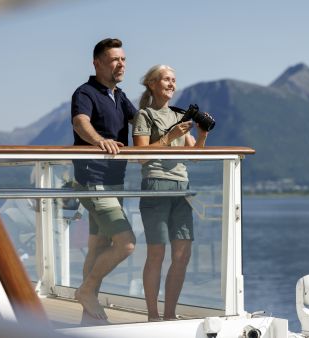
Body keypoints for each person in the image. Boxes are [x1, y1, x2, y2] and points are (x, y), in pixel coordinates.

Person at [132, 64, 212, 321]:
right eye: (166, 79)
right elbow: (141, 157)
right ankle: (153, 315)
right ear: (153, 84)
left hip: (181, 187)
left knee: (183, 254)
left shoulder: (179, 115)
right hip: (156, 184)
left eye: (174, 80)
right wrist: (168, 138)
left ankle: (169, 314)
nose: (171, 84)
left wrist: (202, 135)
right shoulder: (144, 114)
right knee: (157, 253)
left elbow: (195, 157)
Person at [71, 38, 137, 322]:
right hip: (93, 180)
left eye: (122, 59)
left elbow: (142, 122)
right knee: (126, 243)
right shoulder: (85, 92)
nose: (120, 64)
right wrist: (100, 141)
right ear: (97, 63)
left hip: (114, 180)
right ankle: (86, 291)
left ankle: (88, 312)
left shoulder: (119, 96)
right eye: (114, 59)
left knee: (98, 245)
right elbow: (80, 122)